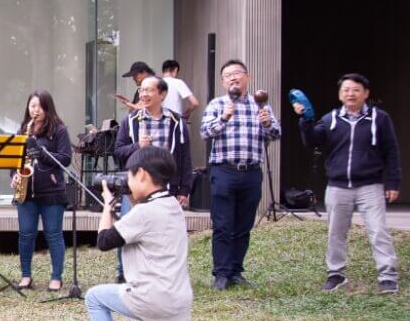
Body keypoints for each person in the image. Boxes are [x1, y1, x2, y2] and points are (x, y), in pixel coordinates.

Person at [89, 146, 254, 321]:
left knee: (94, 297)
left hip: (151, 297)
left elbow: (104, 240)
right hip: (176, 299)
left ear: (142, 174)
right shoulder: (172, 205)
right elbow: (142, 225)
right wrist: (131, 197)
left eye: (129, 176)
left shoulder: (143, 213)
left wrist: (107, 206)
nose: (127, 182)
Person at [294, 73, 401, 294]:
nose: (350, 94)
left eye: (355, 90)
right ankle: (336, 274)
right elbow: (312, 141)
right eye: (346, 90)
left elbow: (391, 151)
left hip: (370, 185)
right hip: (337, 186)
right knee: (336, 232)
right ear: (340, 94)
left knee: (378, 231)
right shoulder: (330, 119)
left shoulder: (380, 118)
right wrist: (304, 120)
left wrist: (393, 182)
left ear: (366, 93)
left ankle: (388, 277)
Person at [199, 59, 279, 291]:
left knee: (244, 225)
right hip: (224, 170)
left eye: (237, 73)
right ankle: (221, 274)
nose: (233, 78)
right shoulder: (217, 104)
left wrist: (267, 125)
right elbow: (204, 132)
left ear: (248, 77)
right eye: (228, 75)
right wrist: (224, 118)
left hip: (251, 172)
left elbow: (275, 134)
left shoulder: (260, 105)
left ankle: (235, 271)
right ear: (223, 82)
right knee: (223, 225)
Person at [112, 76, 195, 282]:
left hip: (165, 187)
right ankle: (124, 273)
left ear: (162, 94)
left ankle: (158, 272)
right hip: (136, 187)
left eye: (149, 90)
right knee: (128, 228)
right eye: (142, 90)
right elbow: (118, 151)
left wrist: (184, 189)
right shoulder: (131, 121)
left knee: (163, 232)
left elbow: (185, 158)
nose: (144, 94)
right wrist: (137, 146)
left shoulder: (176, 122)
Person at [13, 90, 73, 292]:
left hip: (52, 191)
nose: (35, 110)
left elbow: (65, 158)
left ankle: (56, 277)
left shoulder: (59, 130)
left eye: (39, 106)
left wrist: (41, 152)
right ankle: (25, 275)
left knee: (53, 234)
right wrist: (15, 174)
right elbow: (14, 159)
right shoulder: (23, 130)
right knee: (25, 235)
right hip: (27, 191)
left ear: (48, 108)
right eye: (32, 106)